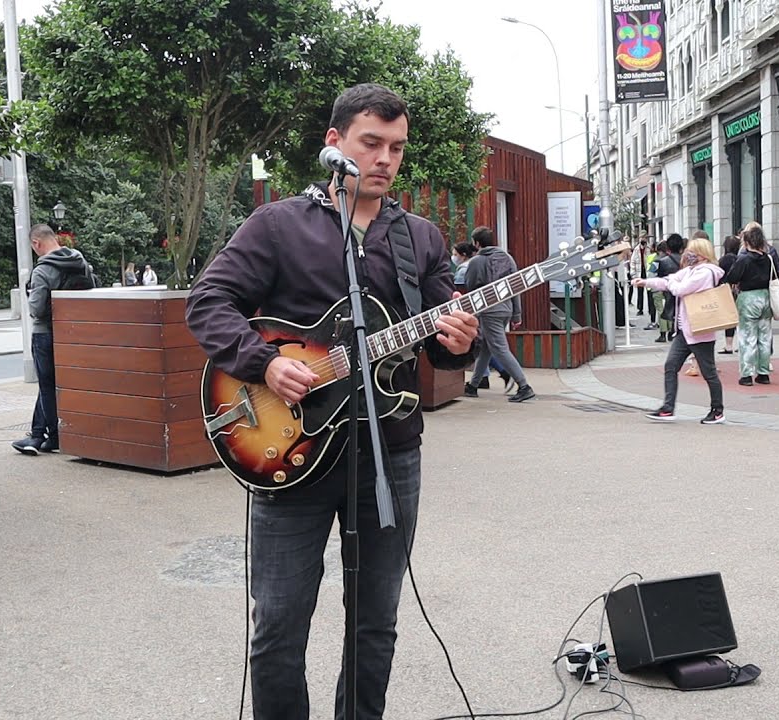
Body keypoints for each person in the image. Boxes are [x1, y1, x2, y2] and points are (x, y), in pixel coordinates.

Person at [185, 83, 478, 720]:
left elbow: (441, 346)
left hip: (387, 451)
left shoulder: (420, 239)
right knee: (279, 628)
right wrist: (265, 361)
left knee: (376, 623)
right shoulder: (279, 225)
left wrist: (458, 340)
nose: (384, 159)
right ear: (335, 143)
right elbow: (208, 303)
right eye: (371, 143)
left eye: (396, 148)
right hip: (288, 449)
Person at [12, 224, 95, 455]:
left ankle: (54, 435)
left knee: (47, 386)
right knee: (62, 384)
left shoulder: (42, 271)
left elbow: (37, 310)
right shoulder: (80, 262)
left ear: (36, 243)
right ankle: (37, 435)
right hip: (72, 334)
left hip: (45, 334)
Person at [635, 237, 726, 424]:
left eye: (692, 251)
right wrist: (646, 282)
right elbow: (670, 280)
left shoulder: (706, 273)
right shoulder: (691, 271)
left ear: (702, 254)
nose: (688, 254)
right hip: (685, 329)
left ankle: (717, 410)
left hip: (700, 330)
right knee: (671, 366)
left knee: (709, 372)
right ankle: (668, 408)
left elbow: (680, 289)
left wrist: (668, 284)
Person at [462, 226, 535, 402]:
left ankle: (524, 386)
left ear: (476, 243)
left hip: (489, 310)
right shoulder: (507, 258)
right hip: (506, 309)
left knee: (500, 349)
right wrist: (517, 314)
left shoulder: (476, 261)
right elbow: (516, 287)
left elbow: (470, 287)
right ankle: (473, 385)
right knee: (487, 347)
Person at [720, 225, 779, 386]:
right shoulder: (768, 258)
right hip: (766, 297)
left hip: (748, 298)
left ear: (746, 242)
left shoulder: (744, 259)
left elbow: (732, 277)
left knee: (747, 337)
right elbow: (778, 272)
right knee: (765, 336)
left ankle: (746, 374)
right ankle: (763, 372)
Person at [717, 235, 741, 354]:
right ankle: (741, 343)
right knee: (741, 318)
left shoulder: (723, 260)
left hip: (726, 291)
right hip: (739, 291)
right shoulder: (740, 258)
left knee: (730, 319)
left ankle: (729, 345)